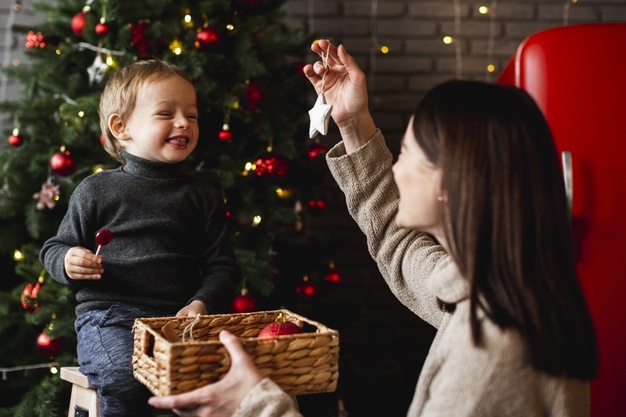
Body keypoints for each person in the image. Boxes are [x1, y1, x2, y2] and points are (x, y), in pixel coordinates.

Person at [148, 40, 598, 416]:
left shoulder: (492, 347)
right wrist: (353, 122)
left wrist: (256, 403)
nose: (397, 170)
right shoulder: (487, 292)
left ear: (452, 182)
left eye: (405, 154)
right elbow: (397, 242)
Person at [39, 60, 240, 416]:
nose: (183, 123)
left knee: (228, 378)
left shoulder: (200, 195)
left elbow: (222, 267)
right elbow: (54, 247)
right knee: (126, 377)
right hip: (109, 317)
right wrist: (68, 259)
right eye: (166, 113)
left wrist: (201, 304)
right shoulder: (96, 190)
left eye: (191, 116)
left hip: (179, 322)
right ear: (121, 127)